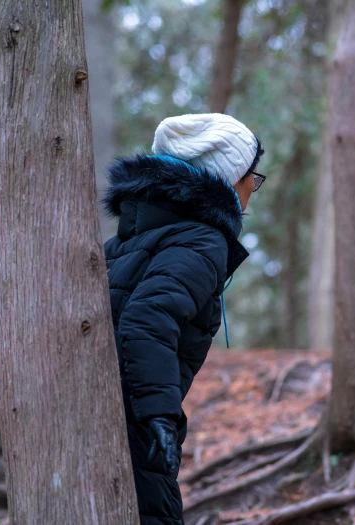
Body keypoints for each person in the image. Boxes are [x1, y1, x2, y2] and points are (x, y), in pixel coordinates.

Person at [103, 113, 264, 525]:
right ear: (230, 178)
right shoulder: (202, 239)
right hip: (133, 425)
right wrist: (160, 415)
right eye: (253, 176)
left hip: (97, 415)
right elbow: (146, 319)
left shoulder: (125, 240)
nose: (253, 188)